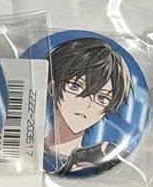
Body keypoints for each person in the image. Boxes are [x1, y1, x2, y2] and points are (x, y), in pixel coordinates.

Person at [44, 37, 133, 176]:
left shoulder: (106, 156)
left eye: (101, 98)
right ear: (53, 87)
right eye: (75, 87)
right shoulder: (28, 149)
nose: (86, 105)